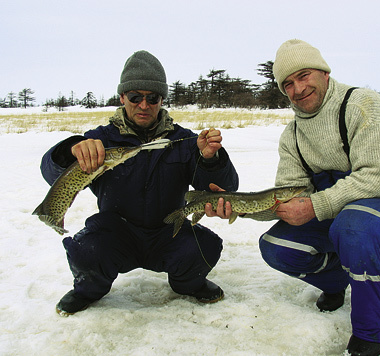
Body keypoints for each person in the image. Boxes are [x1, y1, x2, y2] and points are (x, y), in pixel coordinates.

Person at [206, 39, 380, 356]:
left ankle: (370, 332)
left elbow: (378, 177)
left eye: (304, 75)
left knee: (356, 229)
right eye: (288, 84)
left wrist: (316, 205)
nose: (297, 88)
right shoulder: (292, 136)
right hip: (337, 217)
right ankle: (337, 282)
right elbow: (289, 198)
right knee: (277, 247)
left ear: (324, 73)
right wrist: (240, 206)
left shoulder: (364, 106)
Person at [39, 50, 239, 316]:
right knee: (87, 250)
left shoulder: (186, 141)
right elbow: (51, 172)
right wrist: (70, 151)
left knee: (204, 247)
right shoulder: (101, 140)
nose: (143, 105)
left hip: (169, 229)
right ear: (122, 98)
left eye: (152, 98)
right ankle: (88, 290)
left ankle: (188, 284)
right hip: (116, 231)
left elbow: (224, 188)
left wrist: (211, 159)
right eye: (135, 97)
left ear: (161, 100)